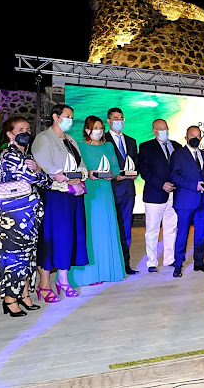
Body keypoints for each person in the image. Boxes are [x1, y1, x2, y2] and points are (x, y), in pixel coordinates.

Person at [0, 116, 52, 317]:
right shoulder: (10, 154)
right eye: (20, 130)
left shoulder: (25, 154)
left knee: (28, 255)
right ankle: (10, 299)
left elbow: (39, 178)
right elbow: (37, 178)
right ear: (10, 134)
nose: (26, 133)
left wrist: (40, 172)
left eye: (28, 129)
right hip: (14, 215)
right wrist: (41, 173)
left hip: (27, 214)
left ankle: (24, 294)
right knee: (15, 256)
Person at [32, 104, 88, 302]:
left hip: (73, 194)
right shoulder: (43, 138)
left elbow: (81, 165)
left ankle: (63, 280)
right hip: (54, 196)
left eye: (72, 116)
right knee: (52, 237)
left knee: (69, 236)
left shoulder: (71, 140)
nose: (70, 119)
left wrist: (79, 177)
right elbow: (46, 165)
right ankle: (44, 284)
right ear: (55, 117)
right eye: (67, 116)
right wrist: (65, 178)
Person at [68, 116, 126, 287]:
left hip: (105, 191)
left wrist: (111, 174)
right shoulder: (80, 146)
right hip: (89, 191)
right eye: (95, 128)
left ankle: (107, 271)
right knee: (90, 230)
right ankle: (88, 275)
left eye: (101, 127)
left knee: (106, 229)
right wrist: (88, 173)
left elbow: (115, 168)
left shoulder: (108, 146)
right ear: (87, 130)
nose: (99, 131)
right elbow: (76, 167)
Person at [169, 126, 204, 278]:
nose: (195, 138)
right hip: (185, 201)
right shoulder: (178, 154)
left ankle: (199, 262)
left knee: (201, 233)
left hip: (202, 200)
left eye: (198, 136)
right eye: (192, 135)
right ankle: (178, 264)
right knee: (182, 233)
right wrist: (193, 186)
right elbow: (174, 176)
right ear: (186, 137)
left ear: (201, 138)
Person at [138, 119, 182, 273]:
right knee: (152, 230)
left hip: (174, 194)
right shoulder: (146, 147)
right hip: (155, 194)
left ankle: (170, 259)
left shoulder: (177, 146)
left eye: (166, 128)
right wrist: (162, 184)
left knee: (171, 228)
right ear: (154, 131)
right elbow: (144, 171)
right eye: (160, 128)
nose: (164, 131)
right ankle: (152, 261)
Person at [105, 107, 139, 274]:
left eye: (121, 118)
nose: (119, 121)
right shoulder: (103, 140)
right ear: (109, 121)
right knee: (109, 228)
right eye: (116, 118)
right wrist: (114, 175)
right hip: (110, 190)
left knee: (126, 229)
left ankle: (125, 264)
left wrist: (136, 173)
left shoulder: (131, 141)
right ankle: (110, 265)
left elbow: (136, 162)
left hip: (128, 190)